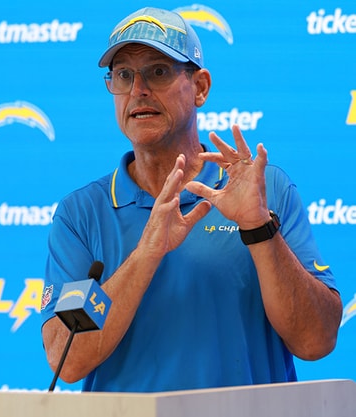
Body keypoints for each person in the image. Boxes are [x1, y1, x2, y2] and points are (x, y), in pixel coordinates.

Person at [40, 7, 342, 392]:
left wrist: (259, 229)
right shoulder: (80, 214)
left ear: (200, 87)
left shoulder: (265, 189)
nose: (138, 90)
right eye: (123, 75)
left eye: (158, 71)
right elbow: (67, 359)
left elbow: (316, 341)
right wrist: (147, 253)